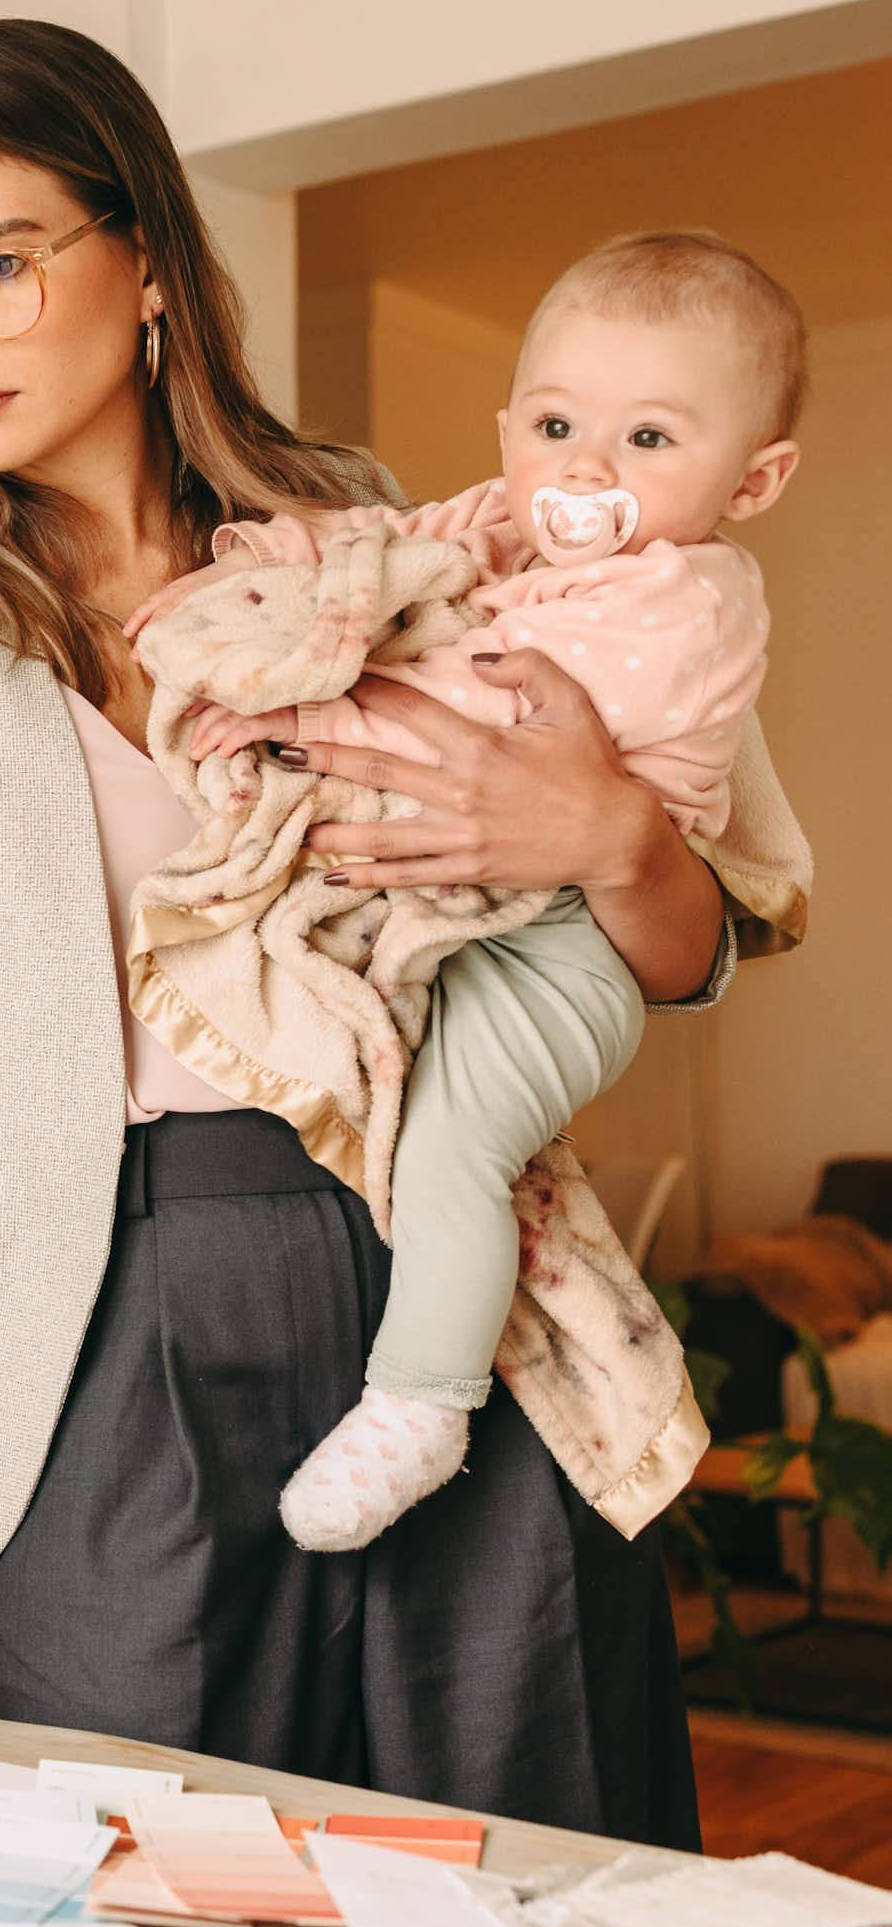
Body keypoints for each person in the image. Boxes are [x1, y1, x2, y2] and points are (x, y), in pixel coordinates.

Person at [0, 19, 808, 1845]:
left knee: (534, 1861)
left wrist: (608, 833)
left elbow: (690, 939)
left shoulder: (367, 527)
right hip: (99, 1320)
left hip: (453, 1272)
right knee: (151, 1897)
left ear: (143, 257)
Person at [164, 229, 802, 1552]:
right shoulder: (520, 529)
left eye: (648, 439)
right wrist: (302, 571)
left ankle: (422, 1403)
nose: (584, 470)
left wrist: (296, 694)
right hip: (460, 914)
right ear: (510, 428)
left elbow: (480, 698)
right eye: (557, 426)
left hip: (562, 951)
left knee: (456, 1141)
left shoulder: (685, 600)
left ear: (755, 480)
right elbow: (409, 547)